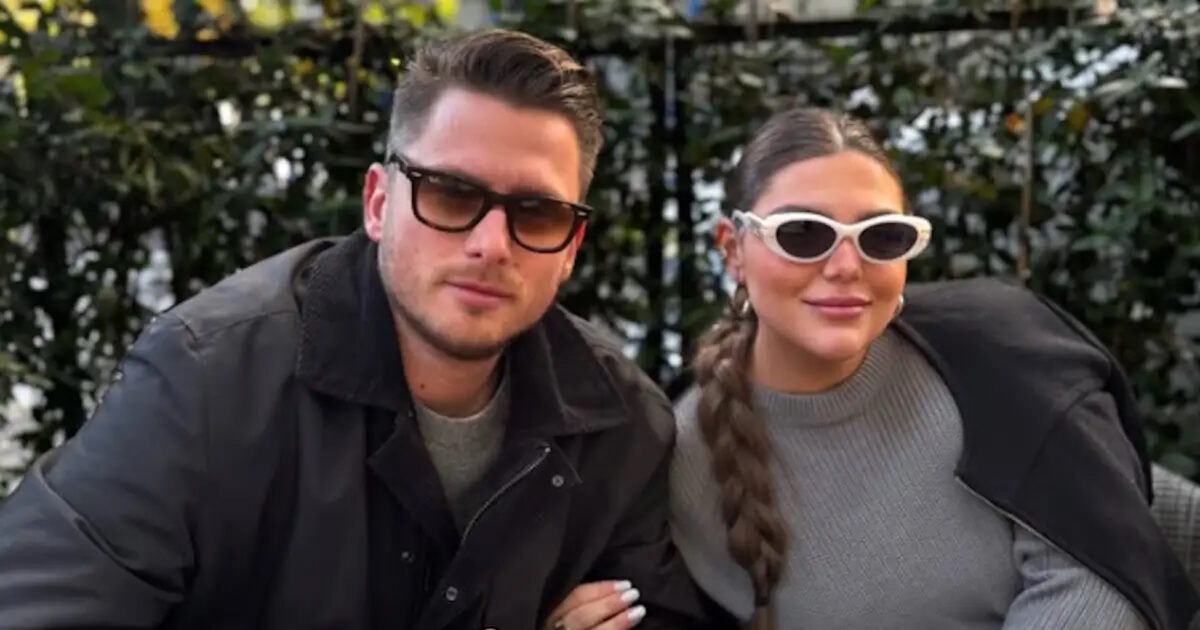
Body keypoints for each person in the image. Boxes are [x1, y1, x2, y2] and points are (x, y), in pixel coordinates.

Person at [0, 29, 715, 630]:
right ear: (378, 203)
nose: (491, 244)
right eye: (450, 193)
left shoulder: (618, 423)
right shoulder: (209, 381)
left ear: (570, 247)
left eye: (537, 213)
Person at [666, 107, 1200, 630]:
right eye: (802, 233)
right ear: (732, 250)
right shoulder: (677, 456)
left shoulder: (1004, 354)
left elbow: (1100, 583)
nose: (846, 266)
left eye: (882, 237)